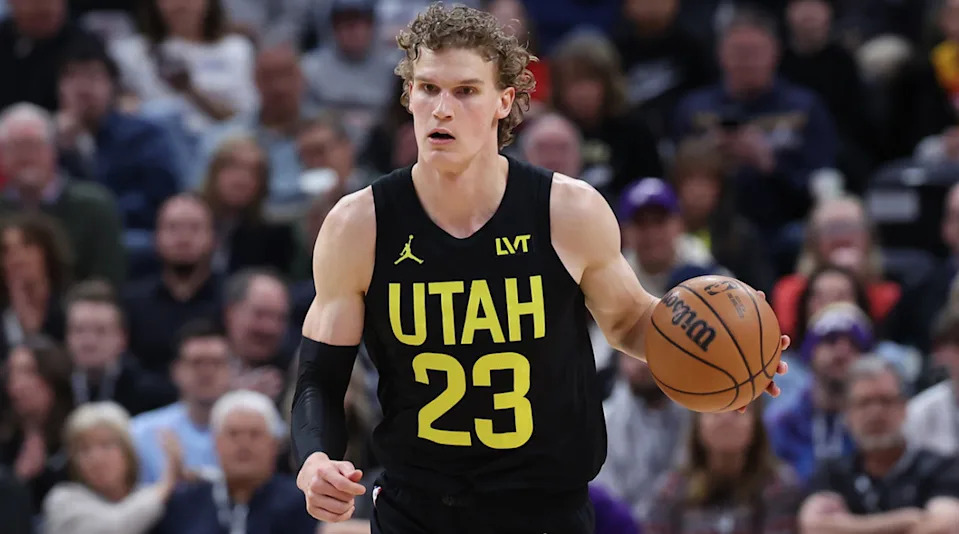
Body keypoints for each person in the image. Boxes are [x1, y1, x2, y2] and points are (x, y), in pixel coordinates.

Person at [289, 4, 789, 533]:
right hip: (419, 508)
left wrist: (730, 354)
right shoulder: (359, 224)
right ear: (408, 95)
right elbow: (320, 376)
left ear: (504, 100)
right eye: (428, 88)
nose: (441, 108)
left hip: (545, 509)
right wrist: (315, 459)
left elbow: (629, 322)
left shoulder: (566, 211)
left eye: (465, 91)